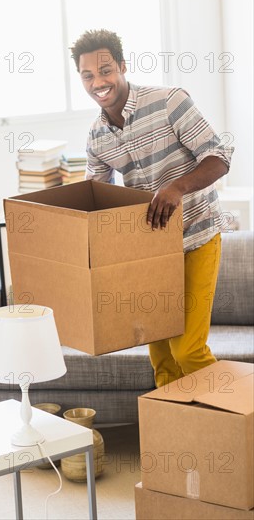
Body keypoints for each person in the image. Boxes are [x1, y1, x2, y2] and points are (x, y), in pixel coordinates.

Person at [70, 29, 234, 388]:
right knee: (161, 359)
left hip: (197, 236)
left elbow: (219, 157)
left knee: (188, 351)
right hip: (152, 253)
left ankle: (241, 419)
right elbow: (93, 199)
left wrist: (177, 187)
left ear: (123, 66)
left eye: (106, 69)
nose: (99, 81)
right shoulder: (96, 138)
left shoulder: (168, 101)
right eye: (88, 75)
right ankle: (180, 435)